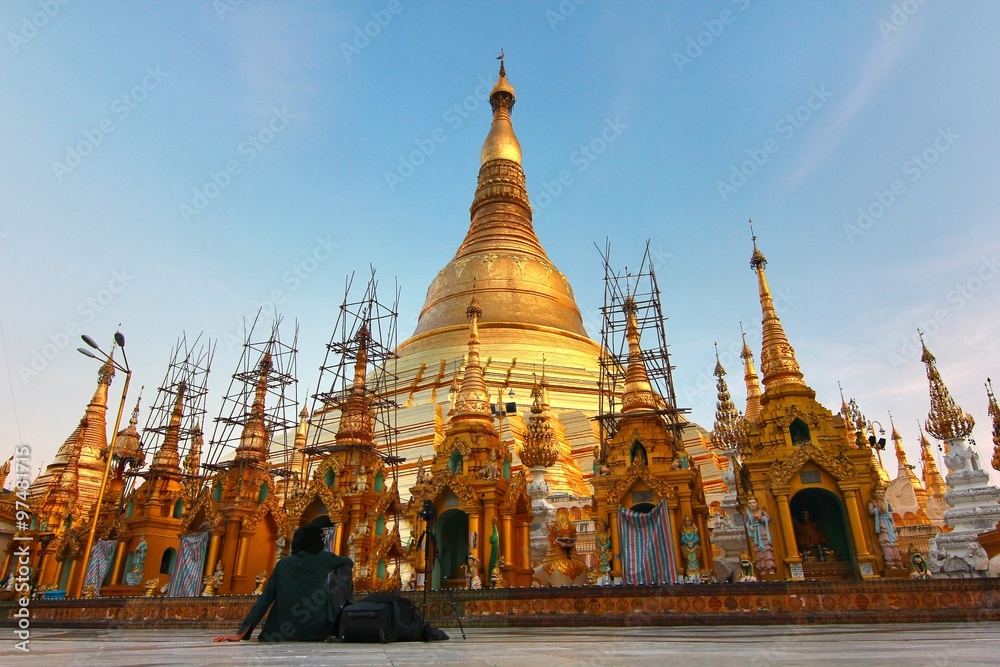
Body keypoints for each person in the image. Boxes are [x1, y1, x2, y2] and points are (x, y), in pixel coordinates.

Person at [214, 524, 353, 643]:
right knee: (344, 568)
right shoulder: (324, 558)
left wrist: (240, 634)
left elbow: (265, 599)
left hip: (279, 632)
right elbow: (348, 562)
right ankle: (343, 619)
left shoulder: (283, 564)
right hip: (315, 632)